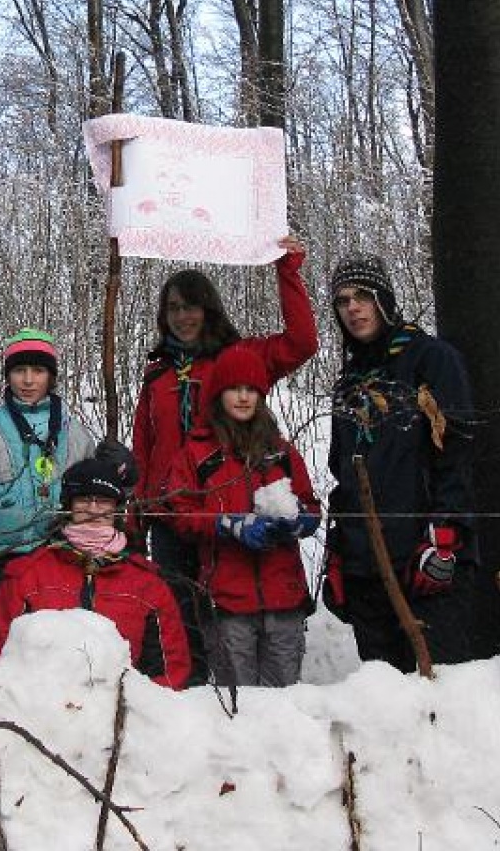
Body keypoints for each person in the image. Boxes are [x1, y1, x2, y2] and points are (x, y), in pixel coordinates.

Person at [131, 238, 317, 683]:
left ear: (209, 310)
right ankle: (189, 698)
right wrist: (139, 505)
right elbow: (144, 446)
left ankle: (235, 695)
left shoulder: (239, 361)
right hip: (172, 515)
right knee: (180, 615)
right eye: (174, 308)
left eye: (192, 307)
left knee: (226, 613)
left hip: (226, 510)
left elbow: (301, 343)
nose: (182, 317)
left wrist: (286, 272)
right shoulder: (157, 374)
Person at [319, 254, 480, 671]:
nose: (352, 308)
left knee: (439, 689)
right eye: (342, 301)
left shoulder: (431, 359)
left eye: (362, 297)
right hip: (367, 564)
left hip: (425, 556)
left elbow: (457, 451)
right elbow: (343, 473)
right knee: (385, 699)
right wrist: (338, 553)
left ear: (383, 300)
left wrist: (447, 530)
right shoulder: (349, 382)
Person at [163, 343, 321, 688]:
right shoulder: (197, 452)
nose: (243, 397)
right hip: (227, 600)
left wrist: (300, 521)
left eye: (251, 389)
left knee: (284, 701)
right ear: (219, 393)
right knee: (240, 706)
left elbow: (310, 504)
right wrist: (226, 524)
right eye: (234, 388)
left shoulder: (280, 450)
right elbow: (179, 511)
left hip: (284, 597)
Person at [0, 455, 191, 690]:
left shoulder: (147, 583)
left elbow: (170, 672)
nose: (93, 509)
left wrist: (131, 708)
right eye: (84, 499)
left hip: (121, 712)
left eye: (103, 501)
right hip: (40, 707)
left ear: (117, 509)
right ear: (68, 506)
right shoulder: (28, 574)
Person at [0, 328, 98, 655]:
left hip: (59, 557)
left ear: (51, 376)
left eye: (38, 371)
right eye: (19, 370)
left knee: (51, 649)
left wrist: (116, 472)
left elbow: (94, 499)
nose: (28, 380)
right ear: (7, 375)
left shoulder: (75, 434)